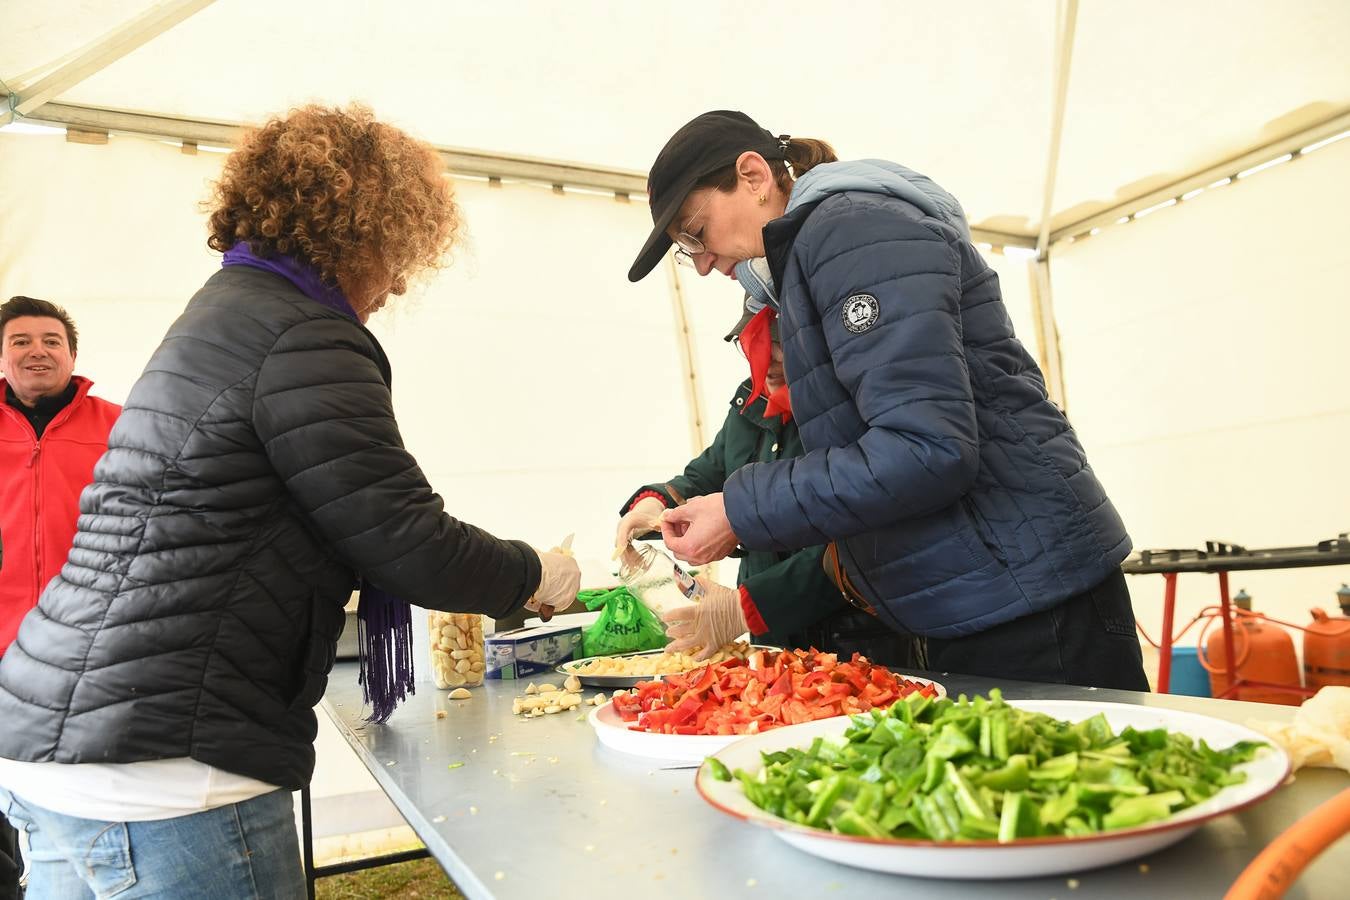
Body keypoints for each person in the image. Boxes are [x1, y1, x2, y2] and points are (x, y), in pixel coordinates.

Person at [0, 104, 581, 899]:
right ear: (366, 230)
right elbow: (404, 536)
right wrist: (536, 572)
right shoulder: (302, 332)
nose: (396, 283)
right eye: (399, 256)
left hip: (56, 746)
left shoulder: (222, 312)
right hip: (170, 773)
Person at [626, 110, 1147, 692]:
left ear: (753, 177)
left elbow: (924, 449)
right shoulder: (817, 255)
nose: (699, 263)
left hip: (1024, 601)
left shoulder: (851, 234)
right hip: (972, 594)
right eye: (683, 249)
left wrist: (739, 511)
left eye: (696, 232)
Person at [616, 293, 918, 666]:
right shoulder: (750, 401)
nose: (767, 359)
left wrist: (745, 606)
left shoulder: (846, 409)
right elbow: (705, 476)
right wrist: (655, 505)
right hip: (770, 641)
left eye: (781, 344)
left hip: (854, 641)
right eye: (756, 345)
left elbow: (858, 539)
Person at [0, 295, 123, 900]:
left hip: (87, 649)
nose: (37, 350)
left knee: (81, 802)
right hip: (1, 647)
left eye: (51, 339)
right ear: (3, 357)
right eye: (21, 340)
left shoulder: (120, 426)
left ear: (72, 354)